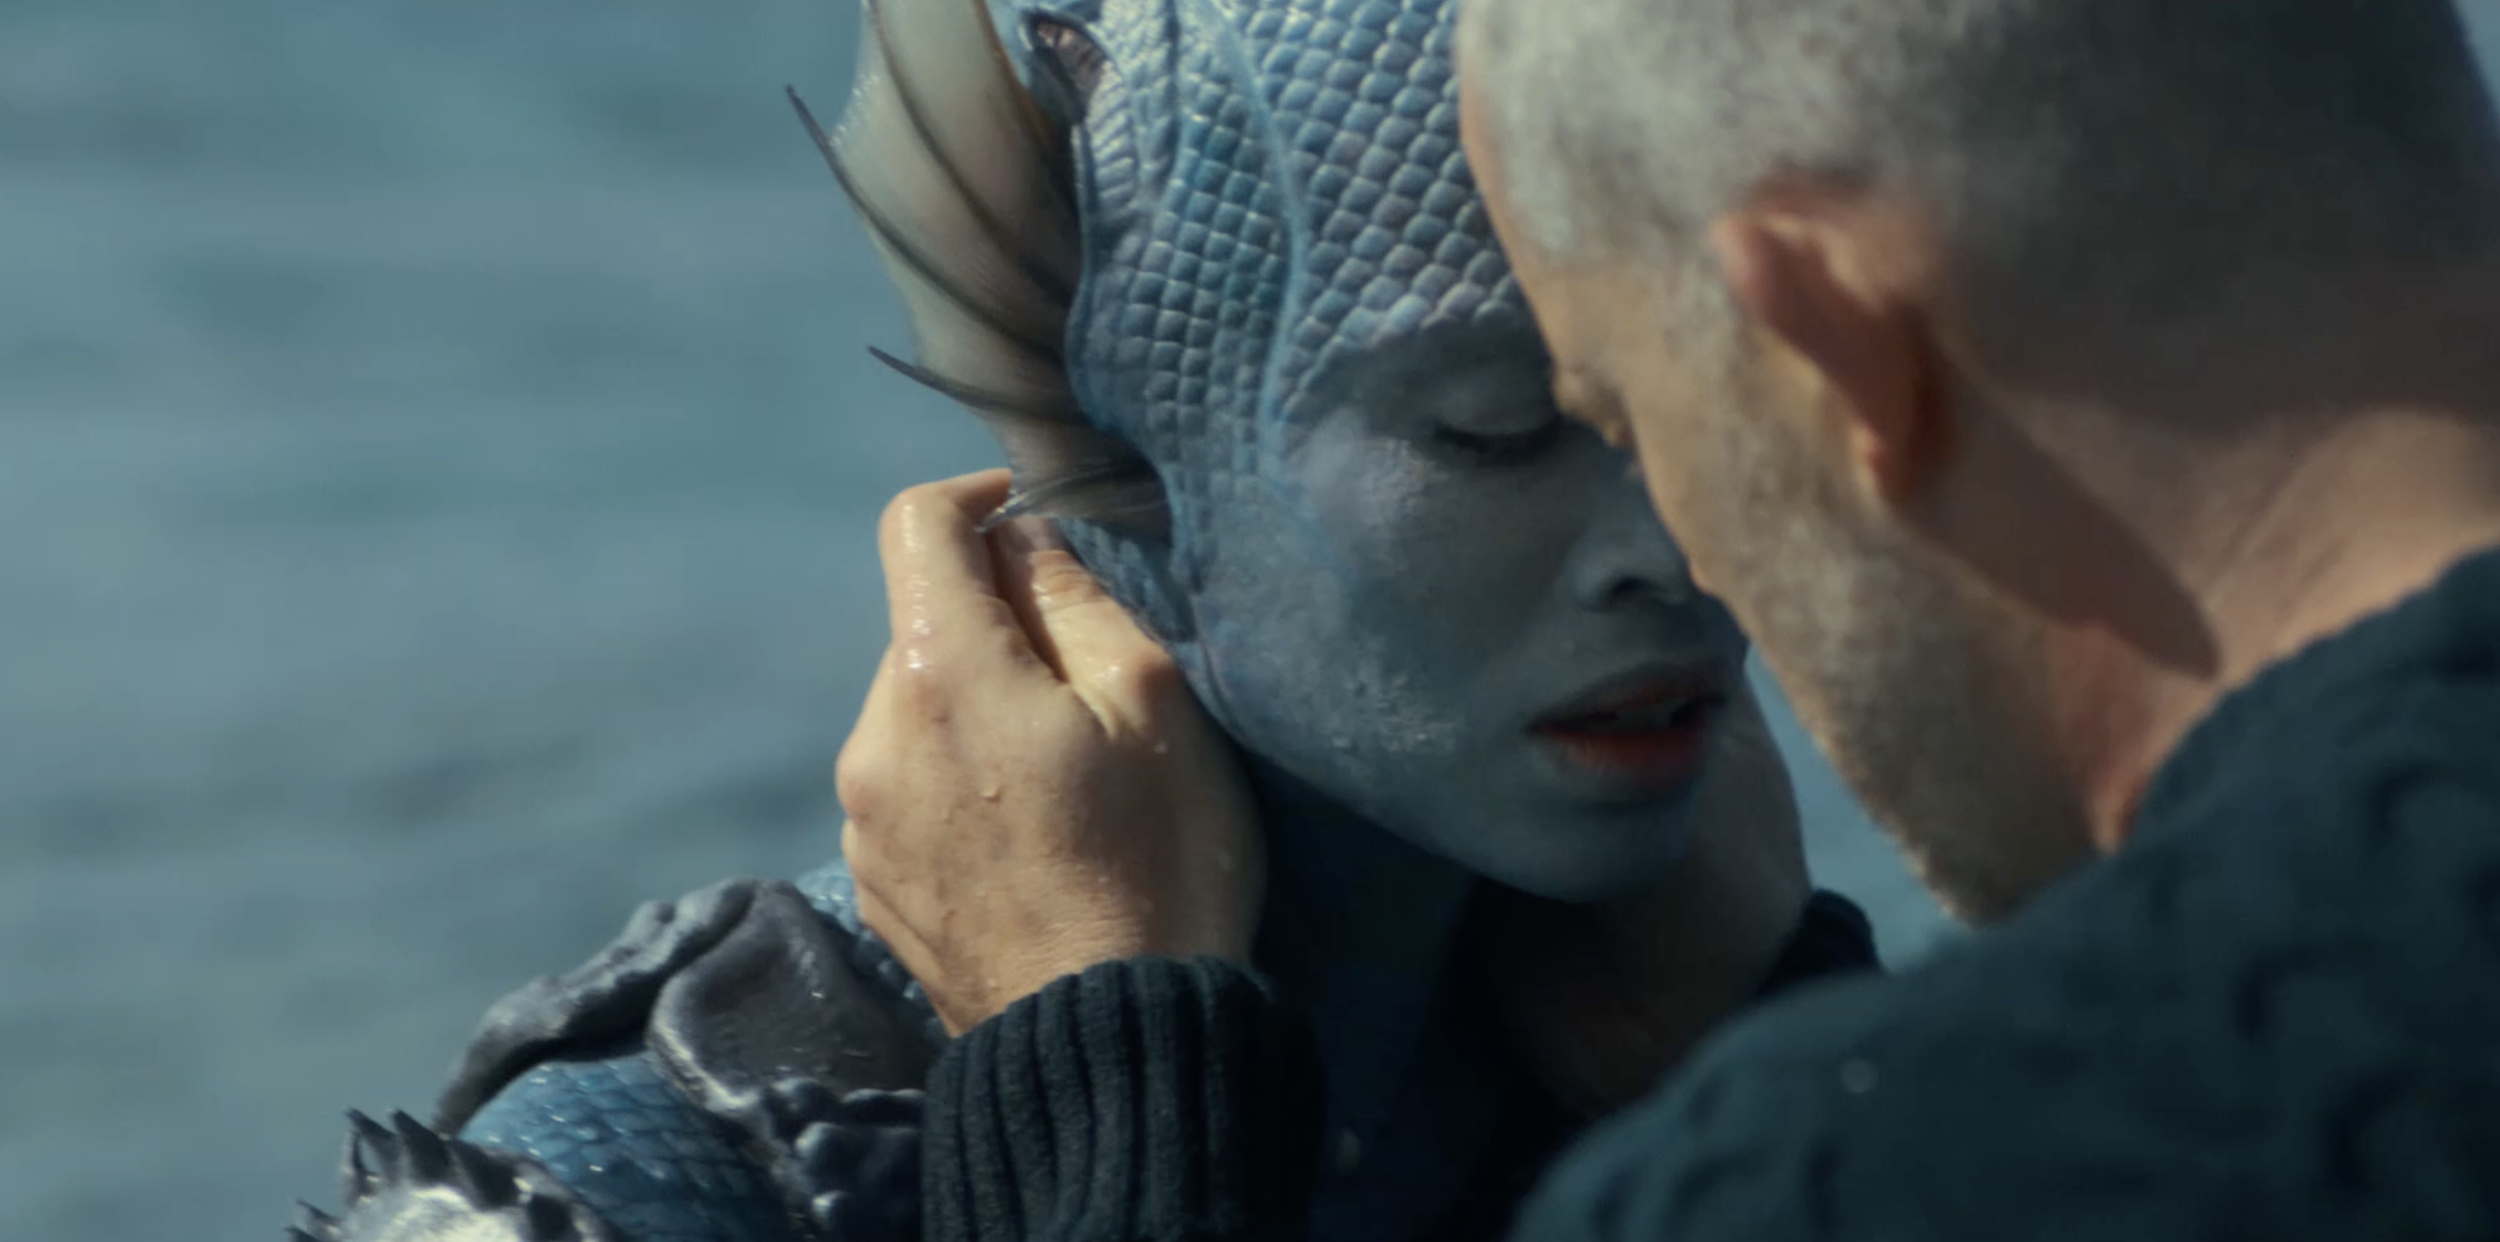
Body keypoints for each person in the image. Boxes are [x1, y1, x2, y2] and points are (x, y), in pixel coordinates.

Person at [842, 1, 2500, 1238]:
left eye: (1656, 409)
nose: (1686, 550)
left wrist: (1108, 1105)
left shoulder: (1925, 1154)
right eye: (1504, 431)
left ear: (1833, 344)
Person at [282, 1, 1880, 1239]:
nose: (1688, 539)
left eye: (1734, 390)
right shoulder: (640, 1181)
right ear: (1128, 448)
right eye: (1496, 430)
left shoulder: (1685, 1062)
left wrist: (1793, 1084)